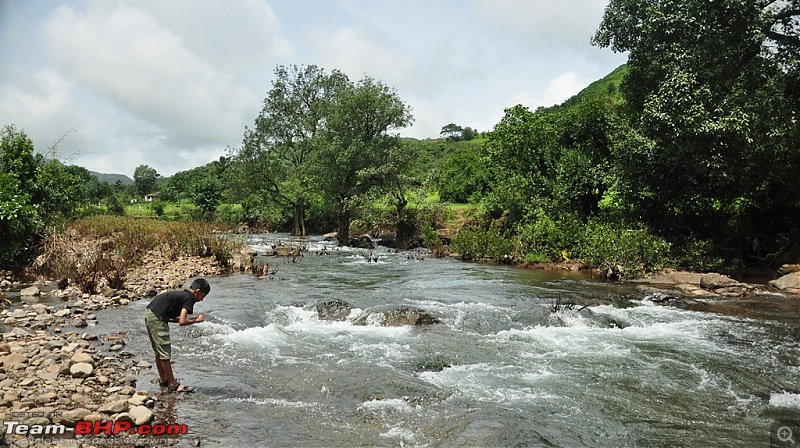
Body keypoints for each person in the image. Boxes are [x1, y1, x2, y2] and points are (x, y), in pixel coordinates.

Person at [144, 278, 209, 393]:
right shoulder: (189, 298)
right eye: (202, 296)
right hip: (157, 318)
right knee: (164, 352)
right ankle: (173, 384)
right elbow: (181, 322)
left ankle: (164, 380)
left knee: (159, 352)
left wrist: (190, 319)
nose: (202, 300)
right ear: (197, 291)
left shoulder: (183, 295)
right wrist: (195, 321)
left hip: (151, 314)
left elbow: (170, 318)